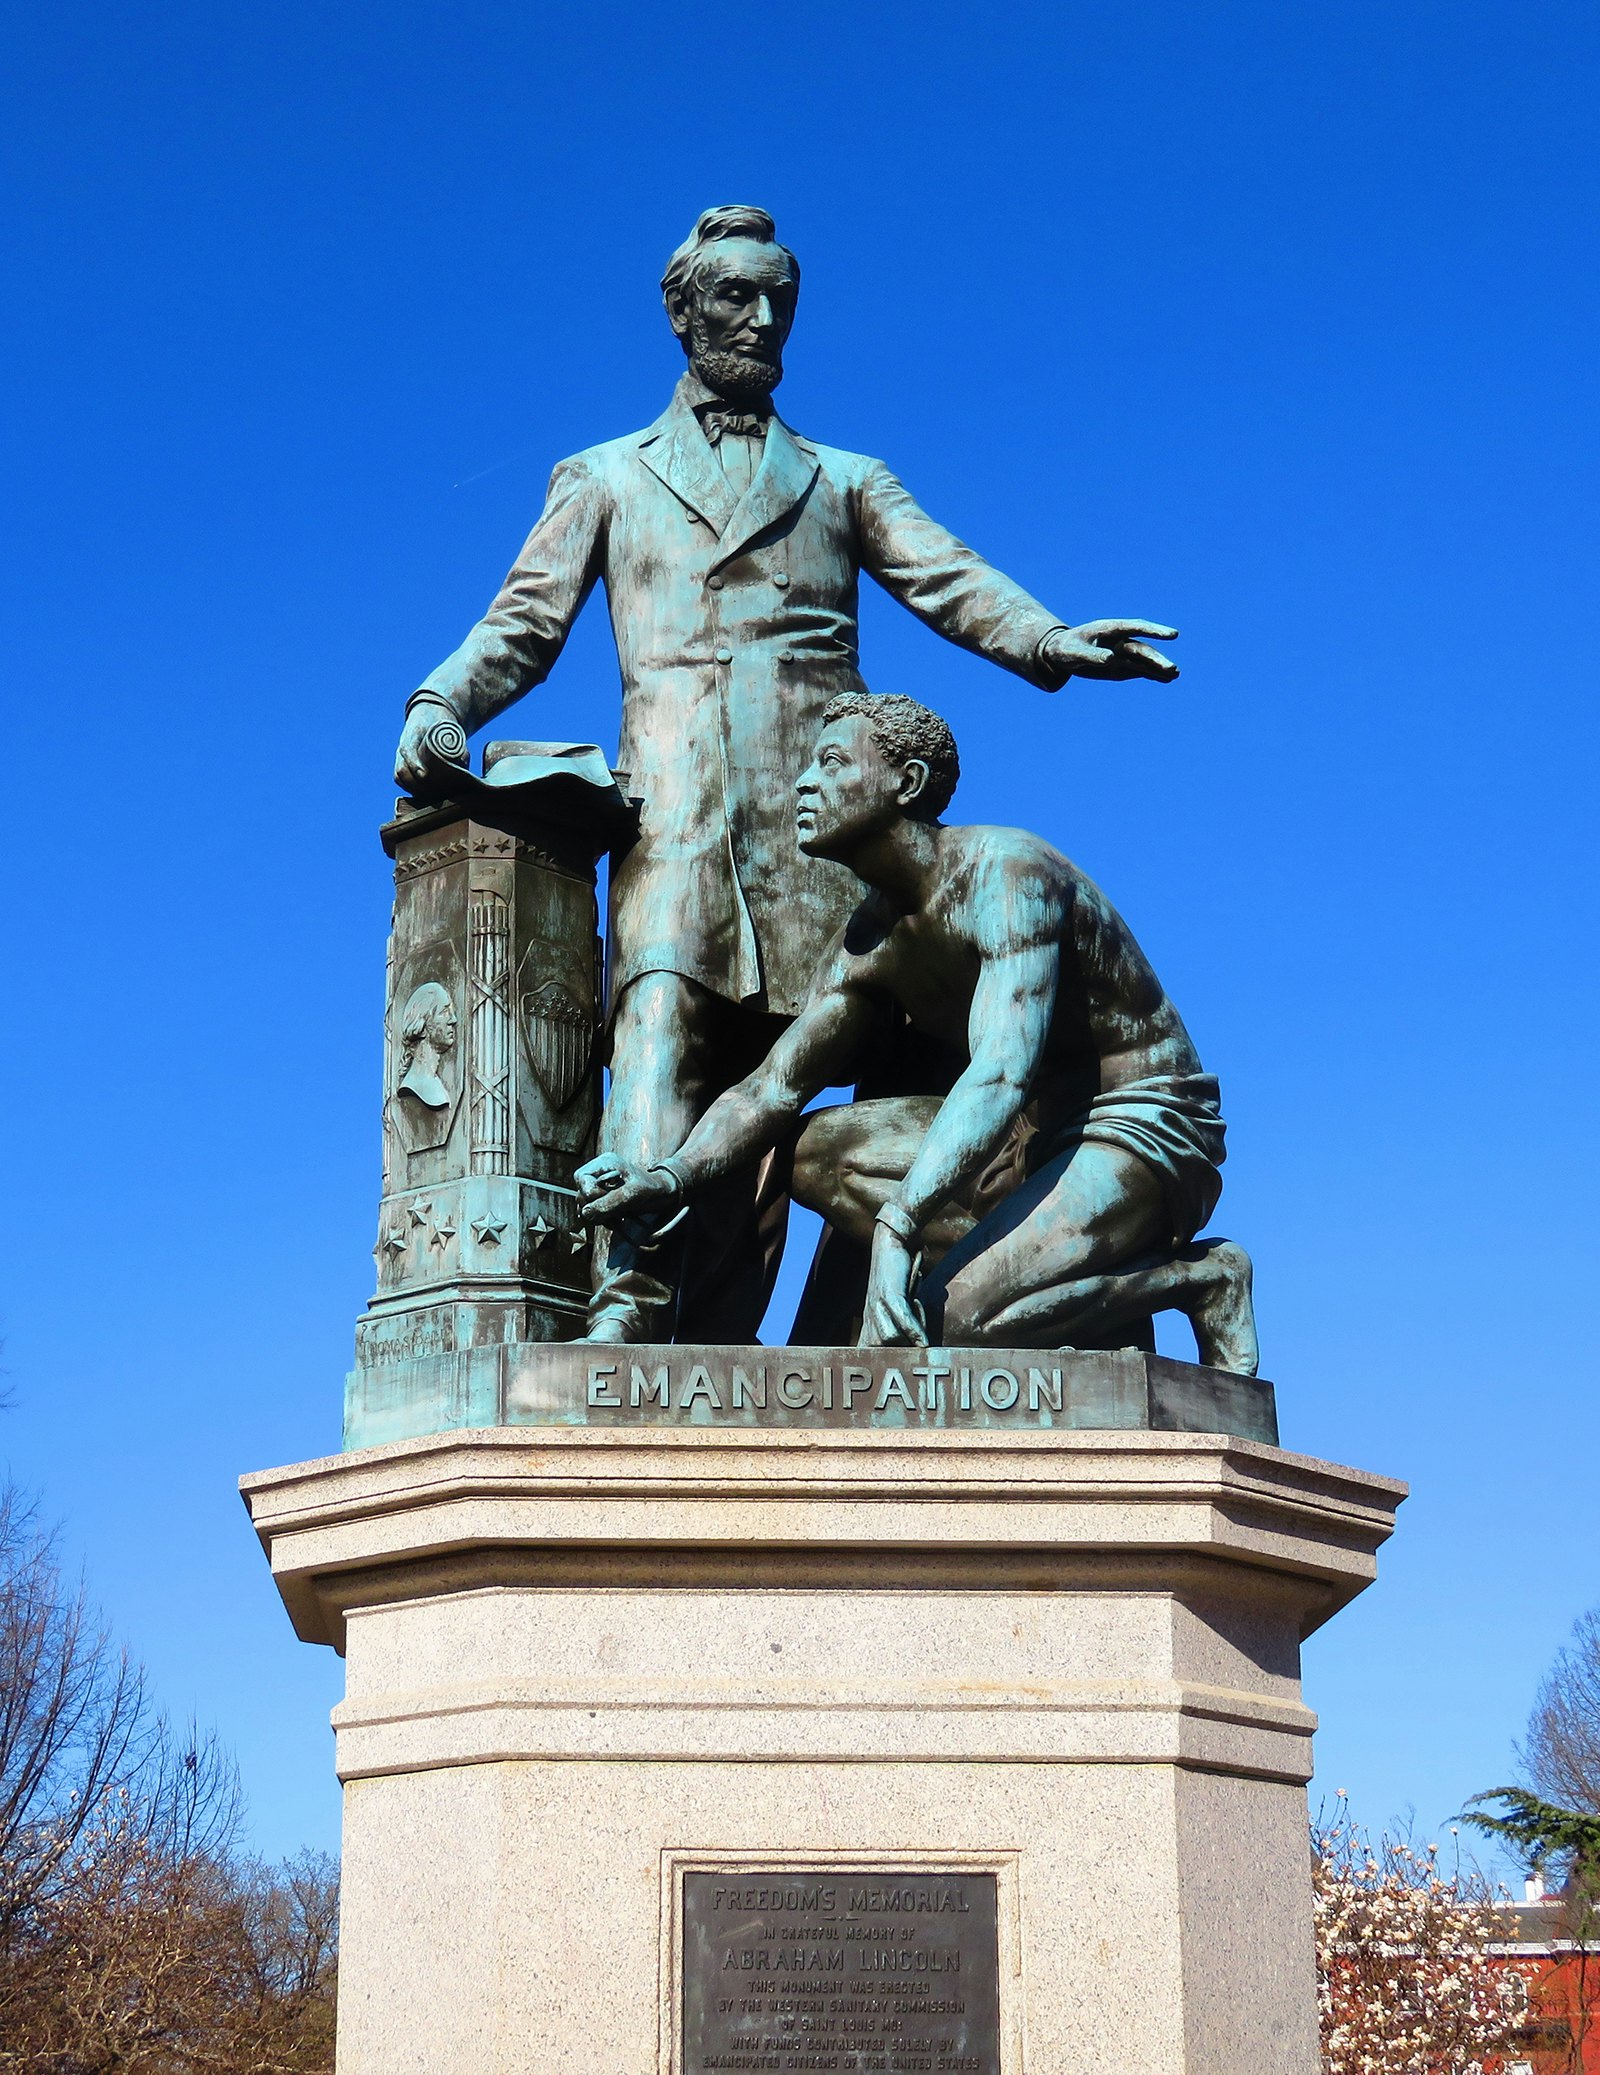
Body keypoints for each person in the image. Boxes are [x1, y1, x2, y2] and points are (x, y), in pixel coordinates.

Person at [398, 203, 1180, 1345]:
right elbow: (524, 619)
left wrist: (1046, 640)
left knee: (857, 1091)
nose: (763, 319)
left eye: (780, 300)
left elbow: (949, 579)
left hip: (831, 847)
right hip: (678, 834)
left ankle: (870, 1328)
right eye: (735, 298)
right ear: (681, 311)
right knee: (655, 1042)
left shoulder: (842, 478)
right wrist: (443, 700)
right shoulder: (606, 477)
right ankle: (629, 1301)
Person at [576, 692, 1257, 1372]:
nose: (803, 782)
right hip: (1017, 1134)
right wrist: (669, 1176)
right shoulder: (866, 938)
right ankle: (1034, 1280)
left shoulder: (1006, 872)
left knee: (954, 1322)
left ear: (907, 783)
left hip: (1136, 1123)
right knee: (809, 1149)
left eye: (833, 762)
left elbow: (1001, 1068)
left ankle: (1195, 1280)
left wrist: (898, 1225)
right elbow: (770, 1090)